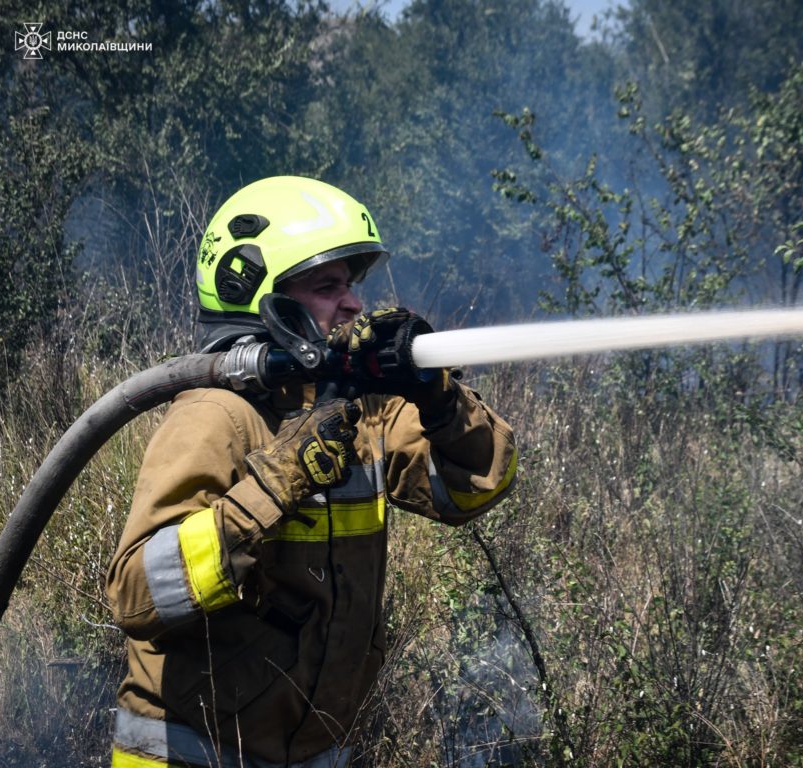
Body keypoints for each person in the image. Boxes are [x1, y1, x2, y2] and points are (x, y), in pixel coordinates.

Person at [105, 176, 518, 768]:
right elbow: (136, 593)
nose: (352, 304)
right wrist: (270, 490)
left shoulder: (360, 412)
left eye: (350, 286)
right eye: (328, 286)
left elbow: (475, 488)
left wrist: (438, 396)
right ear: (258, 295)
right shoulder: (216, 414)